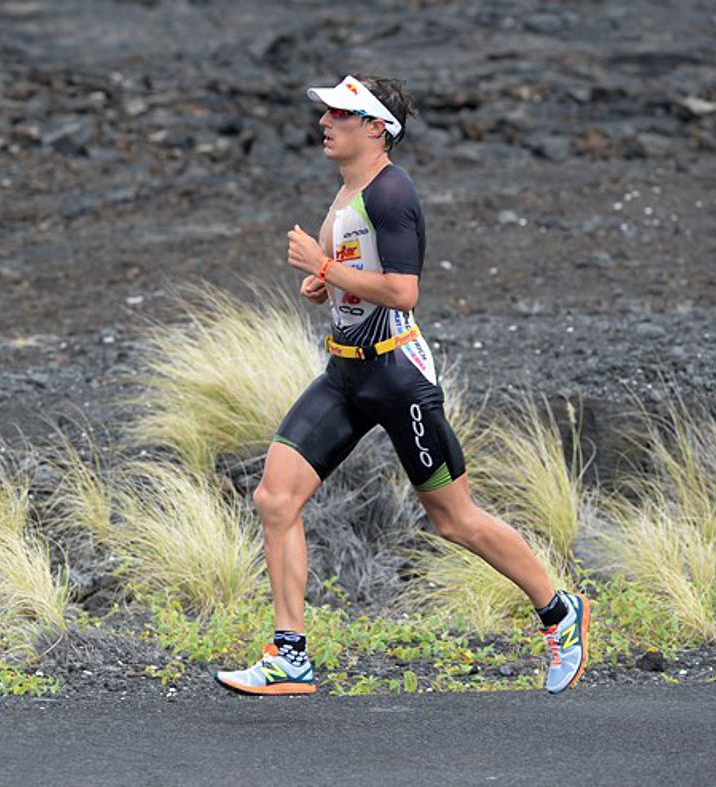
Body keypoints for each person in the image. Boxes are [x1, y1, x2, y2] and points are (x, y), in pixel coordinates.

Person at [213, 74, 591, 696]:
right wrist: (326, 286)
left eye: (340, 114)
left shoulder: (392, 195)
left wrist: (324, 266)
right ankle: (289, 656)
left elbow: (405, 292)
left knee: (455, 520)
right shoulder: (347, 190)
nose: (324, 123)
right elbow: (364, 277)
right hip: (344, 373)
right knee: (275, 500)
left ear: (376, 128)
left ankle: (558, 611)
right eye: (326, 112)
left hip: (397, 379)